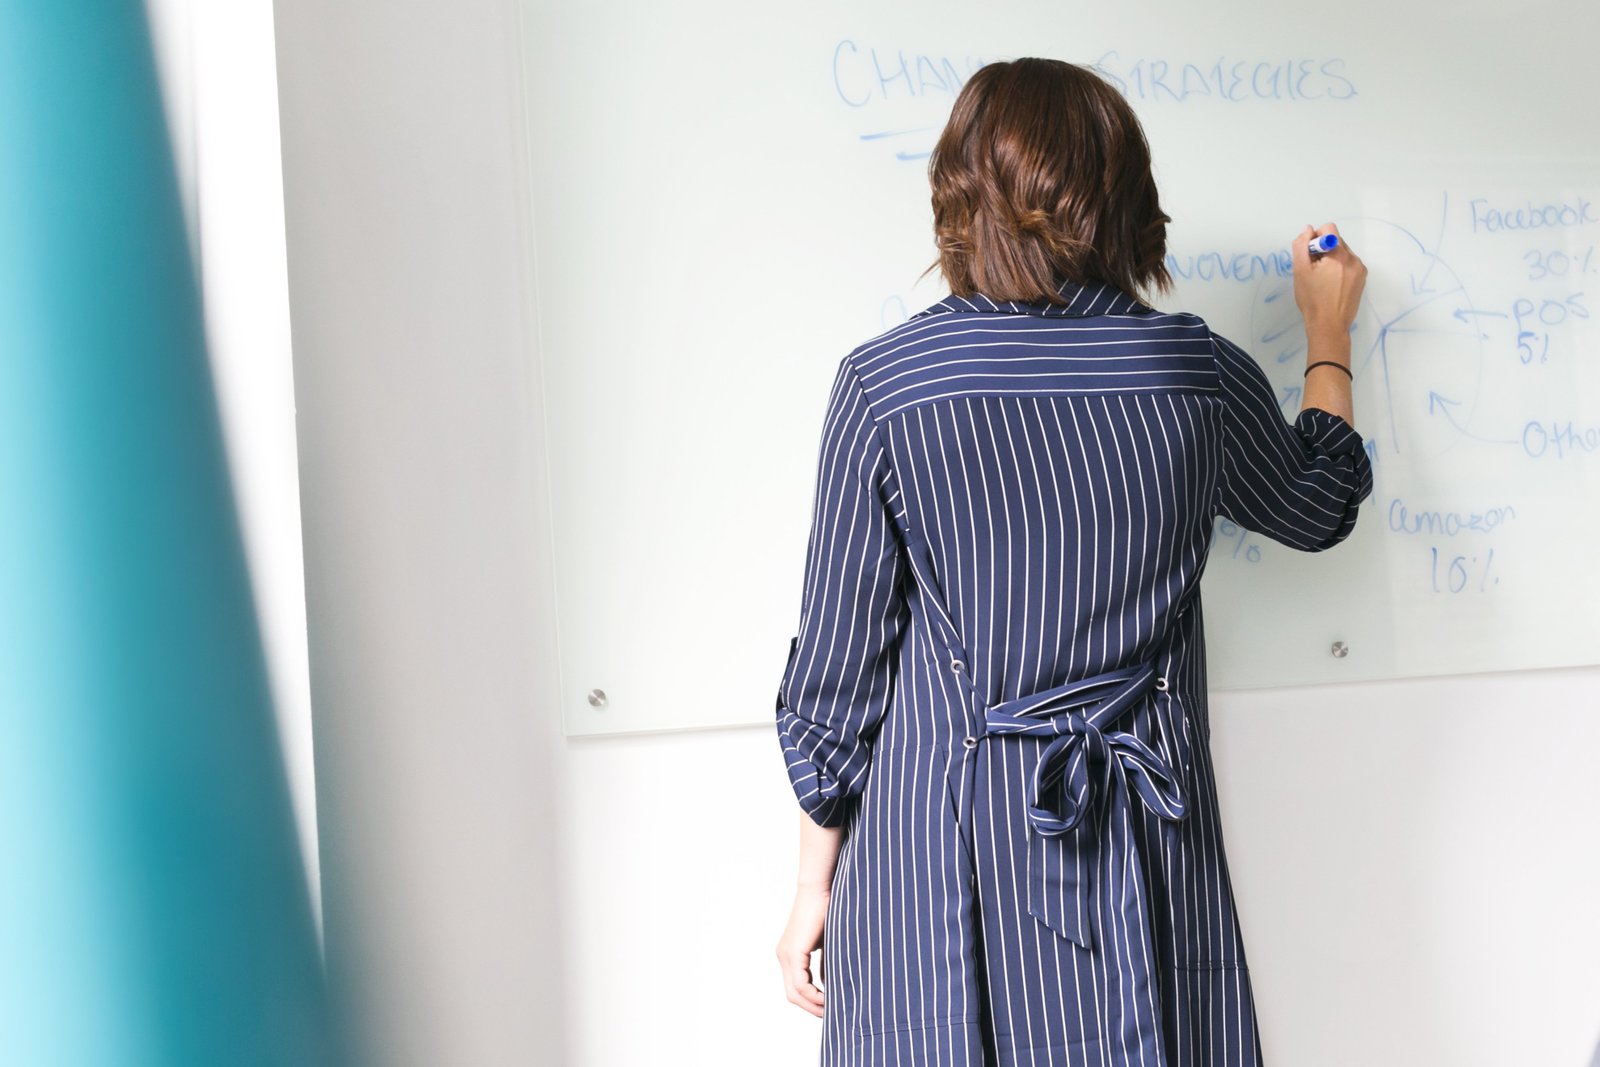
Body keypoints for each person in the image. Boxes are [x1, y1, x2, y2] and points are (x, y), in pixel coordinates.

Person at [771, 57, 1371, 1066]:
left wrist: (807, 892)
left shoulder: (886, 384)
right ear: (1125, 194)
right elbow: (1316, 503)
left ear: (960, 200)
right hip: (1139, 837)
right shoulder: (1195, 374)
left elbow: (837, 684)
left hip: (936, 853)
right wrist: (1325, 335)